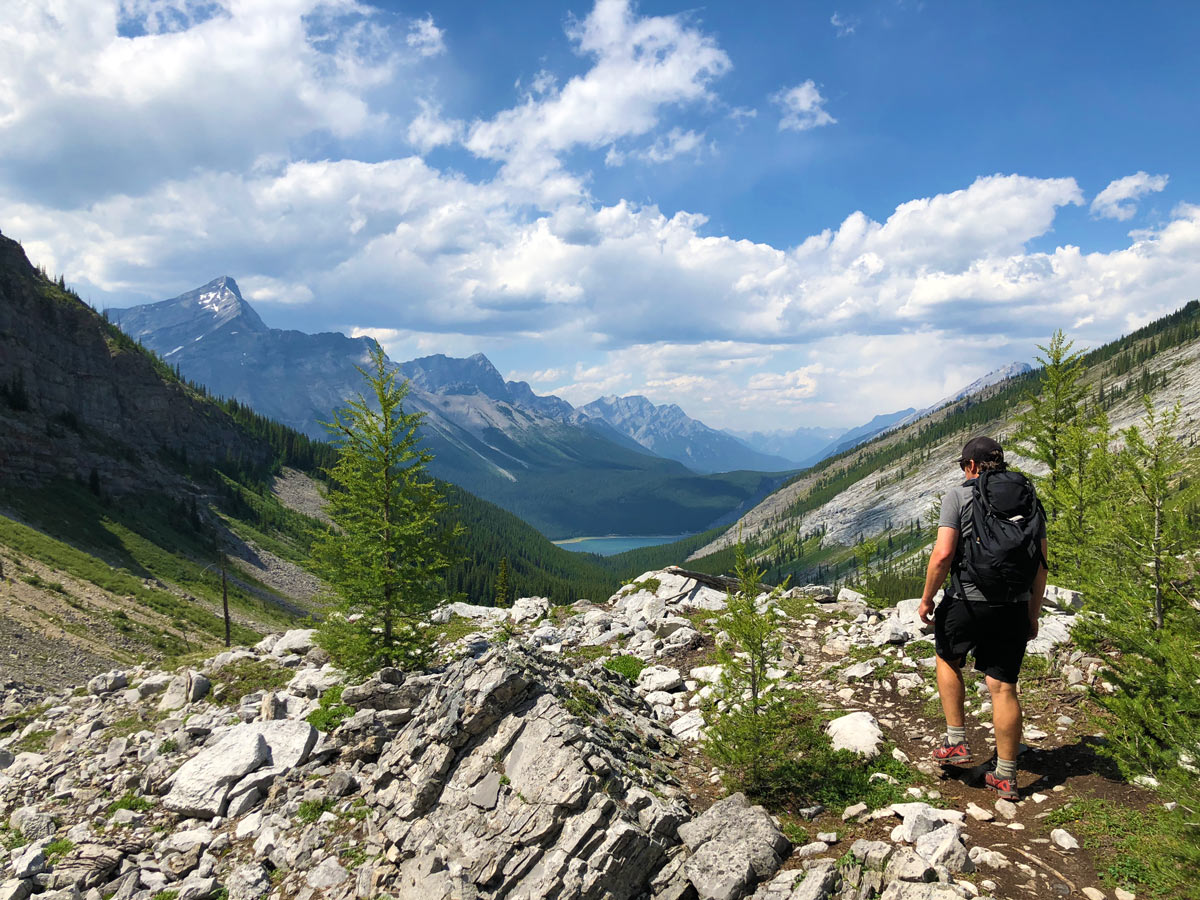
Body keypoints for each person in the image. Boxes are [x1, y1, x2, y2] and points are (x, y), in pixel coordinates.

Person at [917, 436, 1048, 801]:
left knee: (947, 657)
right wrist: (1032, 615)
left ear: (971, 466)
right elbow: (1040, 567)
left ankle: (956, 742)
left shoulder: (959, 496)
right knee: (1003, 687)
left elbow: (943, 555)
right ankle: (1005, 775)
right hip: (1013, 605)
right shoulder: (1029, 499)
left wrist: (927, 599)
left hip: (967, 601)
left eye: (963, 466)